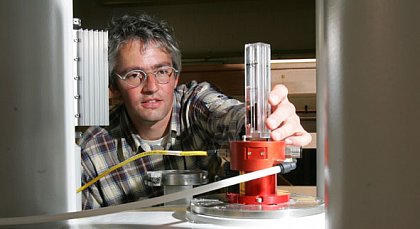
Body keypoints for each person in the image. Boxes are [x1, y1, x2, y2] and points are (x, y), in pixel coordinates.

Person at [79, 13, 312, 209]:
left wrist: (263, 122)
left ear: (176, 76)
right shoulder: (92, 152)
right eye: (134, 75)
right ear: (114, 86)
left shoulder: (195, 105)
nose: (151, 87)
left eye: (161, 72)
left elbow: (226, 114)